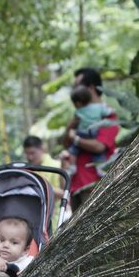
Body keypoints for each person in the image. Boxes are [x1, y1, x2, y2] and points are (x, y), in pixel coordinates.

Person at [60, 67, 119, 211]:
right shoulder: (79, 113)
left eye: (77, 86)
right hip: (74, 185)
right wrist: (70, 128)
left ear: (91, 88)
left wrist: (76, 139)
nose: (75, 90)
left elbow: (99, 146)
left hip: (95, 186)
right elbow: (66, 144)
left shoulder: (107, 115)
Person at [65, 85, 118, 169]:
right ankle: (101, 168)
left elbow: (99, 147)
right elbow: (108, 112)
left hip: (82, 133)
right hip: (94, 132)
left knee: (73, 151)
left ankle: (72, 167)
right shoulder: (99, 108)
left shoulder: (78, 111)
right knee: (98, 155)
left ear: (77, 103)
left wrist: (75, 138)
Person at [22, 135, 65, 228]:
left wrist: (40, 184)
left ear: (42, 149)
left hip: (53, 218)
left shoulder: (56, 167)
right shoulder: (27, 169)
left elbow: (64, 194)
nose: (30, 157)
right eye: (27, 153)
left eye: (32, 153)